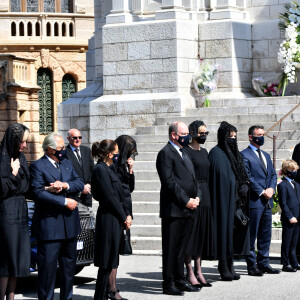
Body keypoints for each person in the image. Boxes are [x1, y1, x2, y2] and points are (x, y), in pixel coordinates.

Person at [30, 132, 84, 300]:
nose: (63, 150)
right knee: (47, 272)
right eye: (60, 148)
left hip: (70, 226)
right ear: (50, 149)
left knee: (68, 271)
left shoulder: (67, 163)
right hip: (50, 227)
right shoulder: (38, 166)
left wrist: (65, 185)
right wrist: (63, 202)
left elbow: (79, 182)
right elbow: (37, 192)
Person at [156, 121, 201, 296]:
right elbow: (169, 182)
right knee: (171, 247)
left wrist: (197, 197)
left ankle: (180, 279)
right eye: (184, 133)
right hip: (174, 209)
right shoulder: (165, 153)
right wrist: (185, 200)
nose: (187, 136)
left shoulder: (184, 153)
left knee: (182, 247)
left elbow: (193, 178)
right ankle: (168, 282)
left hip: (189, 207)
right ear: (174, 135)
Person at [208, 121, 250, 281]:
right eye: (229, 136)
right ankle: (223, 265)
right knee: (224, 234)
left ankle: (230, 263)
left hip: (236, 201)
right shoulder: (216, 153)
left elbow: (241, 172)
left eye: (234, 136)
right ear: (222, 137)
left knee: (233, 234)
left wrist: (244, 184)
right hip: (223, 201)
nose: (232, 139)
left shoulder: (235, 154)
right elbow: (218, 178)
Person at [91, 139, 131, 300]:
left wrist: (126, 214)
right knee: (105, 261)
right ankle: (99, 296)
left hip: (116, 218)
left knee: (112, 258)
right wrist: (124, 216)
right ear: (109, 154)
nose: (118, 156)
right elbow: (109, 197)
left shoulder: (110, 168)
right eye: (115, 153)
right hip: (108, 218)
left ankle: (108, 293)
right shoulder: (100, 170)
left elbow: (121, 194)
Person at [241, 125, 279, 276]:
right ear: (251, 137)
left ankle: (264, 263)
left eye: (263, 134)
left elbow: (273, 175)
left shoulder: (266, 156)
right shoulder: (244, 154)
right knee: (252, 234)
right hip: (255, 201)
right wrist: (262, 191)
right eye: (259, 135)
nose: (262, 137)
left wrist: (271, 189)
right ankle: (251, 265)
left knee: (265, 233)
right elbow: (247, 176)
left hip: (267, 201)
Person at [0, 123, 31, 300]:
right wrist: (13, 174)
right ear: (14, 140)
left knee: (18, 258)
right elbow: (3, 189)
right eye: (22, 142)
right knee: (6, 259)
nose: (24, 145)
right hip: (7, 211)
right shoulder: (2, 159)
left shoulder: (21, 158)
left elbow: (26, 186)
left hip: (20, 210)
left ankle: (11, 297)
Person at [184, 121, 215, 288]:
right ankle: (189, 272)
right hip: (193, 193)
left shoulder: (205, 152)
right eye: (201, 133)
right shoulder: (186, 151)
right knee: (191, 235)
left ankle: (199, 270)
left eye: (206, 133)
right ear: (193, 132)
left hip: (206, 194)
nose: (204, 136)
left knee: (201, 234)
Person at [278, 159, 300, 272]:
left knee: (294, 242)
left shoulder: (297, 184)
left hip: (298, 217)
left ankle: (294, 262)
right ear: (287, 171)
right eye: (293, 170)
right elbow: (283, 203)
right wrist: (290, 216)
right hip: (289, 217)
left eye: (296, 170)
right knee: (287, 241)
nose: (295, 172)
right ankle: (285, 263)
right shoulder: (283, 185)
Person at [66, 128, 94, 207]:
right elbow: (67, 174)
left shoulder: (86, 150)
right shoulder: (65, 153)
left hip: (87, 193)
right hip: (74, 195)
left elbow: (92, 168)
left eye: (80, 137)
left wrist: (89, 184)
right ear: (68, 138)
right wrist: (80, 188)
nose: (78, 139)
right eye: (75, 137)